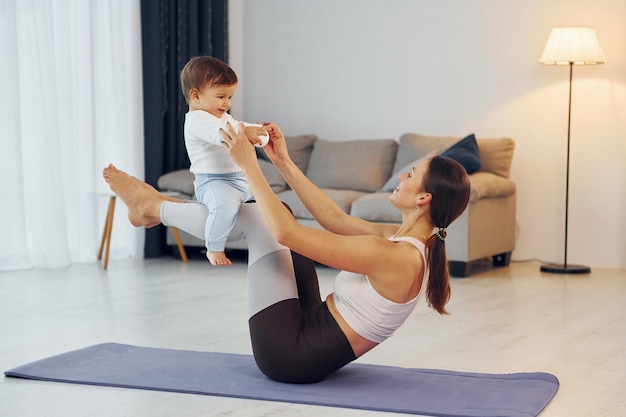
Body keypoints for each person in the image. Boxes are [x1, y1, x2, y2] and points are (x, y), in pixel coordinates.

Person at [102, 122, 470, 384]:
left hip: (291, 357)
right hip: (310, 333)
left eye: (411, 175)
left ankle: (153, 209)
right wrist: (282, 162)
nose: (401, 178)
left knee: (267, 219)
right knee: (281, 210)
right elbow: (332, 218)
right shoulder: (400, 240)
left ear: (424, 199)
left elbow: (285, 235)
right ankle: (158, 206)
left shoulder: (395, 257)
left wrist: (248, 164)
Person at [180, 55, 269, 266]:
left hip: (240, 179)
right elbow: (221, 134)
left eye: (230, 97)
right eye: (221, 96)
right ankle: (214, 247)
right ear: (195, 95)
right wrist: (247, 131)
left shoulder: (223, 117)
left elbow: (237, 124)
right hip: (213, 182)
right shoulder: (196, 121)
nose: (227, 103)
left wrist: (262, 133)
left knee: (269, 204)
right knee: (225, 207)